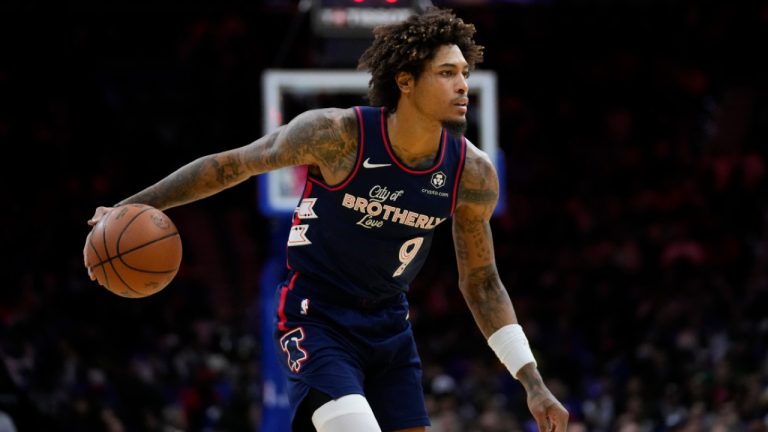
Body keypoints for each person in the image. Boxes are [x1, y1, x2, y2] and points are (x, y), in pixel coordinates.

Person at [84, 7, 569, 432]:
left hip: (390, 329)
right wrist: (133, 205)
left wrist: (533, 382)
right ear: (406, 81)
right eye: (446, 73)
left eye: (464, 72)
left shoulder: (472, 173)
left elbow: (482, 283)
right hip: (317, 318)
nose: (463, 84)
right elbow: (229, 165)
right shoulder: (337, 136)